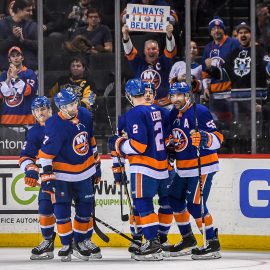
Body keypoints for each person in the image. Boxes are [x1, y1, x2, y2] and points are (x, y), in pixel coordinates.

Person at [109, 79, 171, 261]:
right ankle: (155, 240)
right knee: (155, 205)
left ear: (129, 95)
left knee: (143, 203)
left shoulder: (134, 113)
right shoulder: (159, 111)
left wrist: (118, 143)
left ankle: (152, 243)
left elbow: (139, 146)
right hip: (162, 165)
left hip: (144, 166)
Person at [38, 88, 101, 262]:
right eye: (70, 105)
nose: (74, 107)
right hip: (63, 176)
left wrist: (97, 166)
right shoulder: (53, 125)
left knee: (85, 210)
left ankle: (80, 242)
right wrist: (47, 179)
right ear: (61, 107)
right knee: (62, 211)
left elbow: (91, 141)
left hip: (85, 172)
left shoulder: (85, 115)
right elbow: (45, 156)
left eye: (75, 103)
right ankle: (66, 243)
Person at [165, 82, 223, 260]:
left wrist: (205, 138)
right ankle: (188, 238)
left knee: (195, 205)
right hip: (183, 168)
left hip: (203, 165)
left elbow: (218, 138)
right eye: (173, 95)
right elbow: (173, 139)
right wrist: (170, 149)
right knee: (174, 199)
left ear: (187, 96)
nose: (175, 99)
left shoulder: (200, 112)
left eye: (179, 95)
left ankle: (212, 242)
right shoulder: (173, 114)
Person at [19, 96, 56, 260]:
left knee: (77, 210)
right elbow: (25, 156)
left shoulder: (61, 125)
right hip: (49, 178)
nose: (40, 112)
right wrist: (31, 169)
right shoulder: (34, 132)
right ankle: (48, 242)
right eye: (37, 110)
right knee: (45, 208)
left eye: (43, 109)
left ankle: (80, 241)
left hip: (69, 175)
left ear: (50, 109)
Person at [122, 23, 176, 108]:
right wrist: (125, 36)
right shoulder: (138, 63)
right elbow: (129, 52)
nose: (151, 51)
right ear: (144, 51)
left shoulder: (164, 61)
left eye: (154, 49)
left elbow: (170, 50)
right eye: (148, 49)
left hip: (164, 105)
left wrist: (169, 35)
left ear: (158, 51)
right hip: (143, 104)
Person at [202, 16, 239, 126]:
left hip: (231, 93)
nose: (216, 30)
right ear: (210, 32)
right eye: (213, 28)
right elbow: (205, 72)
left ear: (223, 29)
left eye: (219, 28)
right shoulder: (208, 48)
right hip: (215, 95)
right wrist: (206, 88)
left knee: (233, 124)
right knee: (218, 124)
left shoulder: (233, 43)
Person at [0, 46, 38, 125]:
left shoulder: (29, 73)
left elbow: (28, 92)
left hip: (26, 121)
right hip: (7, 121)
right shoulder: (4, 75)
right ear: (9, 59)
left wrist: (15, 77)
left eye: (18, 55)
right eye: (13, 56)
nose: (16, 58)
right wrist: (7, 80)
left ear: (22, 57)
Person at [0, 0, 37, 71]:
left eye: (31, 10)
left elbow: (39, 46)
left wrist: (24, 40)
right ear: (19, 10)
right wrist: (13, 37)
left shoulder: (33, 25)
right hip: (6, 69)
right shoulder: (2, 25)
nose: (31, 13)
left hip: (29, 68)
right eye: (28, 10)